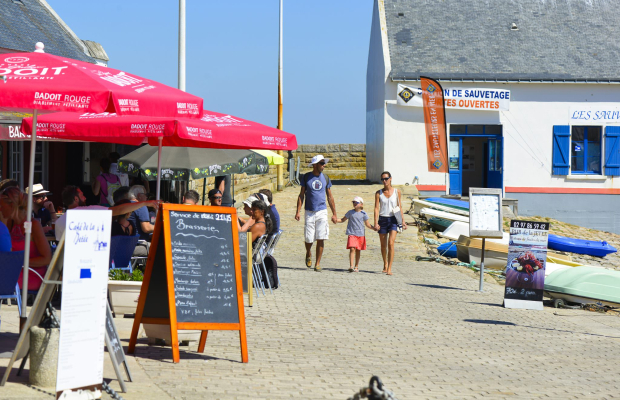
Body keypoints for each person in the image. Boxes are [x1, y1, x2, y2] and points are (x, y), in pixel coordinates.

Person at [54, 186, 160, 240]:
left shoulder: (59, 222)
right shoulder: (89, 211)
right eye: (82, 195)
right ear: (76, 199)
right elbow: (119, 210)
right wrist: (145, 203)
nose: (85, 197)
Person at [0, 187, 51, 291]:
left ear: (11, 205)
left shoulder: (34, 225)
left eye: (1, 206)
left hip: (32, 274)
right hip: (15, 272)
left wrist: (19, 261)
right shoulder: (11, 223)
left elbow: (47, 258)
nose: (0, 209)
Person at [294, 154, 337, 272]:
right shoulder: (306, 177)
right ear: (315, 165)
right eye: (322, 163)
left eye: (324, 163)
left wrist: (334, 213)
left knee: (321, 237)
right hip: (309, 211)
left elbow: (330, 196)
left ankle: (317, 263)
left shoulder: (326, 178)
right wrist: (298, 211)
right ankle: (308, 252)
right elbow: (301, 195)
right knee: (308, 238)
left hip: (322, 211)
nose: (324, 165)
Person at [373, 171, 407, 276]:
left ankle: (389, 268)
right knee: (383, 246)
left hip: (393, 220)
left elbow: (399, 207)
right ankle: (385, 264)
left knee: (391, 243)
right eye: (382, 179)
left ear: (390, 179)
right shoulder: (378, 193)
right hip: (382, 219)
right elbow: (376, 208)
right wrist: (375, 222)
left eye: (386, 179)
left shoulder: (397, 192)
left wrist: (403, 221)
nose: (384, 181)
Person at [335, 196, 375, 273]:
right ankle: (351, 266)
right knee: (352, 248)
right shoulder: (350, 212)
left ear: (361, 204)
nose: (354, 204)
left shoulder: (364, 214)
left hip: (360, 234)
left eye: (356, 202)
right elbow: (343, 220)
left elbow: (367, 224)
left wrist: (374, 228)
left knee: (358, 250)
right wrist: (336, 220)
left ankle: (356, 266)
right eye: (353, 202)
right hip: (352, 233)